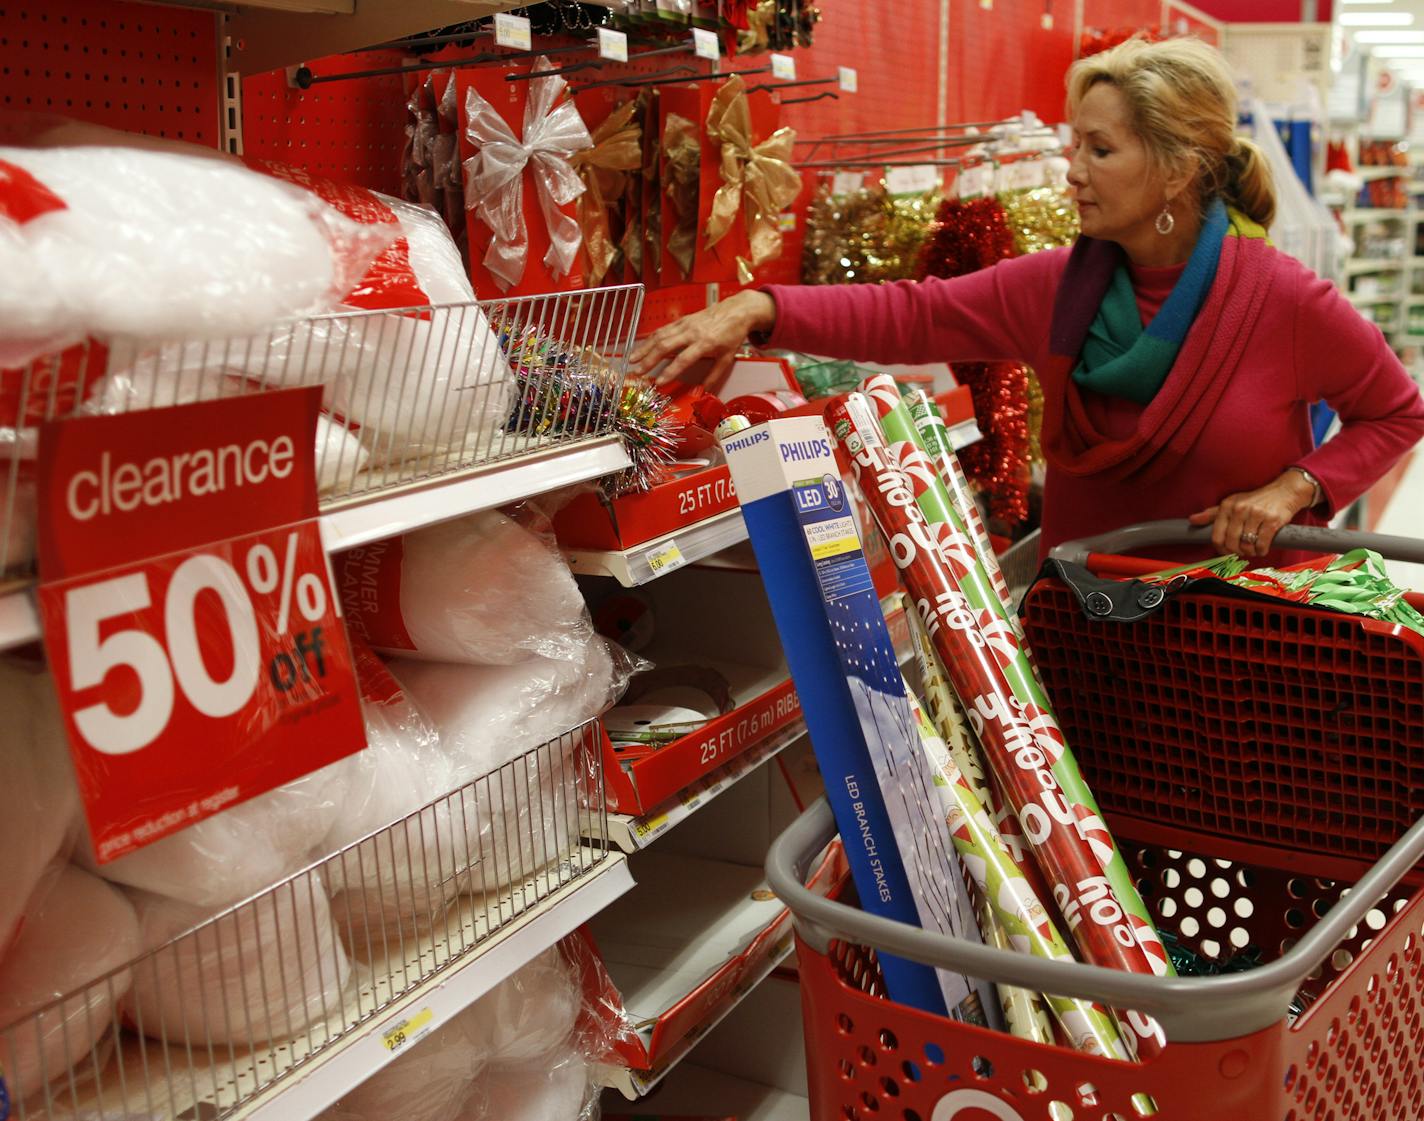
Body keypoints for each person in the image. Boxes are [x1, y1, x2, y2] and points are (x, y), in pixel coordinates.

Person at [629, 37, 1424, 559]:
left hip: (1234, 649)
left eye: (1100, 149)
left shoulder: (1281, 300)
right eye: (1073, 142)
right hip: (1084, 638)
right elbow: (913, 312)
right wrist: (758, 308)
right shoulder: (1058, 286)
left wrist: (1296, 486)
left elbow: (1399, 412)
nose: (1071, 168)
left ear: (1177, 169)